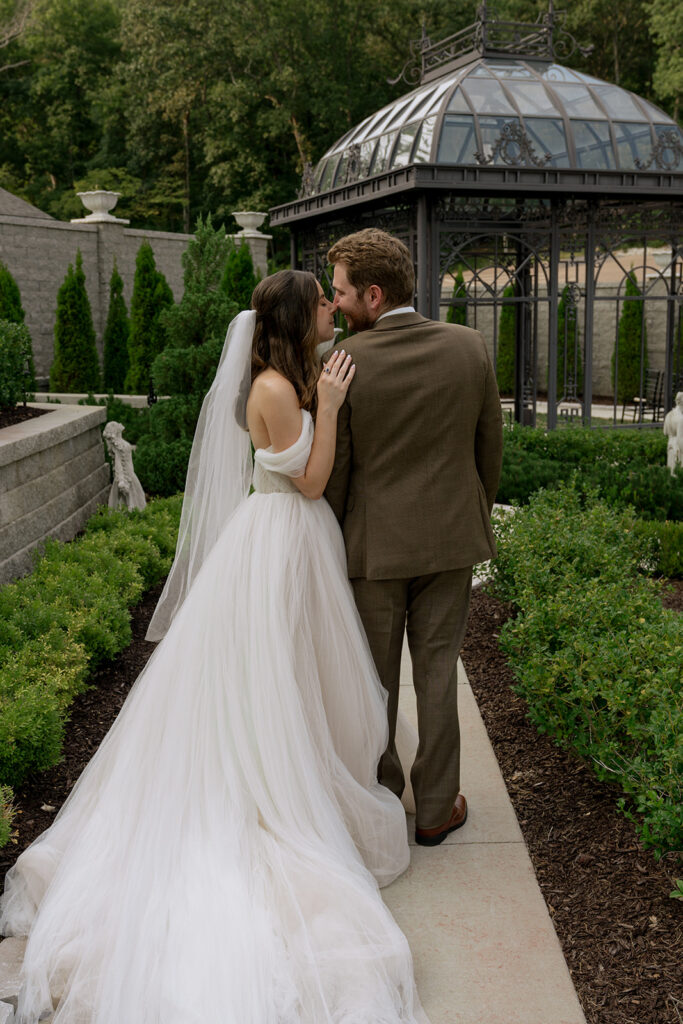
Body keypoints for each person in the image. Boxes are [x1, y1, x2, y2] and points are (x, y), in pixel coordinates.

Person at [0, 271, 427, 1024]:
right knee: (267, 681)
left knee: (293, 679)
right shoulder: (272, 389)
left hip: (292, 546)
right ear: (299, 316)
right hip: (280, 542)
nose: (334, 309)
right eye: (325, 303)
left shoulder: (280, 378)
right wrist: (327, 406)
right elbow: (311, 480)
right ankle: (278, 790)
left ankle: (301, 771)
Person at [325, 229, 503, 847]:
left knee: (374, 682)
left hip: (373, 550)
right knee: (437, 673)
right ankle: (434, 810)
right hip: (452, 541)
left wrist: (333, 541)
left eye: (343, 294)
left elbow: (337, 471)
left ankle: (380, 802)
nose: (337, 304)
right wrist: (466, 511)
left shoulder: (345, 363)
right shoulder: (470, 346)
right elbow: (489, 452)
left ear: (374, 295)